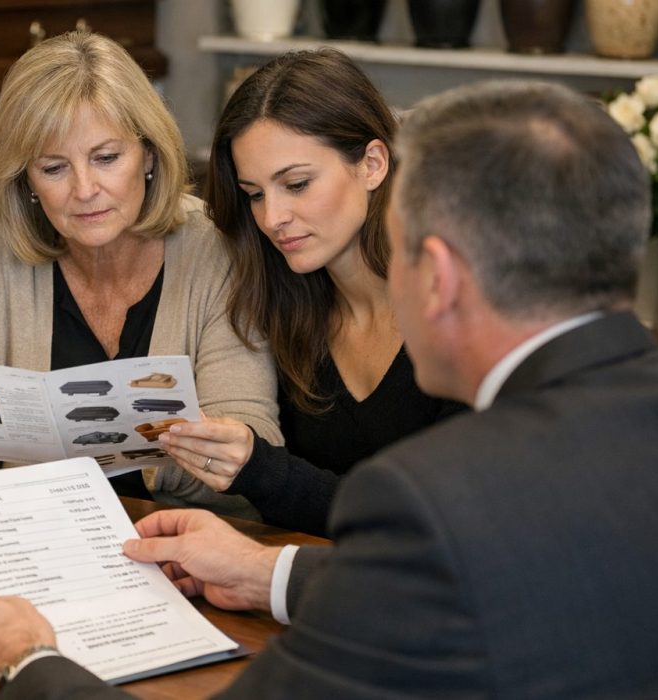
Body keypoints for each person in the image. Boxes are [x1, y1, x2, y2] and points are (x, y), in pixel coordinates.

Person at [0, 80, 658, 696]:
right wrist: (270, 573)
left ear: (440, 276)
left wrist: (22, 664)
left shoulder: (427, 498)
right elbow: (496, 574)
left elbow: (442, 560)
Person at [0, 31, 280, 518]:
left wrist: (191, 449)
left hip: (191, 537)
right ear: (26, 179)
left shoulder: (216, 246)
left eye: (107, 158)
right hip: (35, 531)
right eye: (54, 168)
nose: (85, 189)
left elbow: (254, 448)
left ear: (150, 155)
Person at [158, 49, 462, 536]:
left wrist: (261, 469)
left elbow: (436, 524)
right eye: (255, 194)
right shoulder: (283, 304)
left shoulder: (465, 311)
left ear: (373, 163)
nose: (272, 217)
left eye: (296, 184)